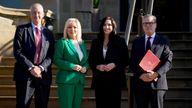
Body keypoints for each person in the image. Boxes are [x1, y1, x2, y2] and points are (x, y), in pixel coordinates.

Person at [13, 3, 55, 108]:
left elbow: (51, 54)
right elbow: (17, 51)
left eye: (39, 12)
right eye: (34, 13)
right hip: (24, 74)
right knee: (22, 105)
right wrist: (31, 67)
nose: (36, 15)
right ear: (30, 15)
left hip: (43, 75)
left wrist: (40, 68)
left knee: (42, 105)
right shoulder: (21, 30)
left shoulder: (49, 33)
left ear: (43, 14)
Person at [130, 14, 173, 108]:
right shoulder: (136, 42)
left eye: (150, 23)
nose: (147, 25)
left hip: (158, 85)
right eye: (145, 23)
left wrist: (156, 74)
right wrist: (141, 75)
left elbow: (168, 62)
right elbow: (132, 62)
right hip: (140, 84)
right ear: (142, 25)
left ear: (155, 25)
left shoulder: (163, 41)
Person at [88, 16, 129, 108]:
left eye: (109, 25)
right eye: (104, 25)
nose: (107, 27)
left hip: (115, 80)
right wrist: (97, 66)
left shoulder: (120, 41)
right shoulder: (96, 42)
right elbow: (91, 60)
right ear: (101, 26)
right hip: (100, 80)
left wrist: (115, 64)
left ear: (113, 26)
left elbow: (125, 60)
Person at [53, 18, 89, 108]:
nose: (72, 29)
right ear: (66, 29)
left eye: (74, 27)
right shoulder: (62, 42)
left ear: (78, 29)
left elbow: (86, 60)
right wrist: (72, 66)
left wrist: (85, 67)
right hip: (66, 81)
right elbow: (56, 60)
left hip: (79, 80)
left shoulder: (82, 43)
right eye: (69, 27)